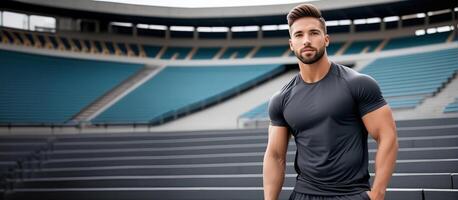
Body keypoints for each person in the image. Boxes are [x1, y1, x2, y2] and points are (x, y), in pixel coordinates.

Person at [263, 3, 398, 200]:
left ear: (326, 39)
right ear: (291, 44)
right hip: (303, 195)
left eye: (314, 33)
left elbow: (387, 136)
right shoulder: (281, 99)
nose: (306, 40)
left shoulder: (358, 84)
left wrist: (377, 194)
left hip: (350, 194)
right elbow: (275, 155)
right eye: (299, 35)